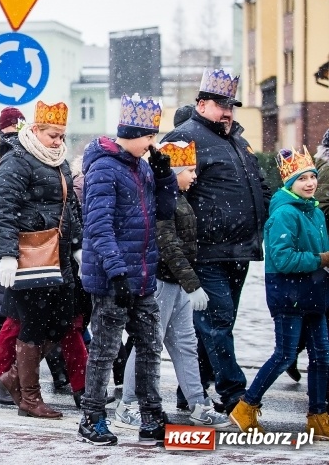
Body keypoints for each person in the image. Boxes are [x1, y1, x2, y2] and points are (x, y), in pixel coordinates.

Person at [162, 69, 271, 414]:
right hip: (206, 251)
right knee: (216, 323)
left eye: (231, 105)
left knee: (216, 325)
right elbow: (168, 195)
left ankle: (189, 391)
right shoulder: (183, 137)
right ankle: (233, 391)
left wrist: (264, 213)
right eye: (221, 104)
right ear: (202, 103)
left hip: (240, 249)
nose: (227, 111)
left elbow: (259, 183)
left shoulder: (237, 139)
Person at [78, 94, 176, 446]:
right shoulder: (105, 168)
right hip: (112, 278)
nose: (152, 143)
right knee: (105, 350)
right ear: (132, 133)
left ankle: (151, 416)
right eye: (148, 136)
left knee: (150, 346)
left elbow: (164, 212)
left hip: (143, 275)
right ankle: (92, 417)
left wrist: (165, 178)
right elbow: (99, 226)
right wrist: (116, 272)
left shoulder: (143, 166)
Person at [114, 140, 230, 430]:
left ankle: (198, 404)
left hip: (174, 284)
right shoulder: (163, 201)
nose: (194, 176)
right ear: (174, 170)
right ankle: (126, 405)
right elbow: (168, 245)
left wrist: (187, 283)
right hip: (160, 283)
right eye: (189, 170)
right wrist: (192, 283)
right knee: (147, 345)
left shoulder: (177, 198)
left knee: (185, 345)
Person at [230, 147, 329, 438]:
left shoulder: (315, 213)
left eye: (312, 177)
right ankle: (246, 406)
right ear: (290, 184)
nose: (310, 183)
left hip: (314, 294)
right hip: (290, 294)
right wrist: (321, 259)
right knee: (285, 354)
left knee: (322, 356)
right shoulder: (284, 214)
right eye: (302, 179)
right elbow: (283, 259)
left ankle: (319, 415)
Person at [0, 101, 77, 419]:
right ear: (36, 130)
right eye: (53, 135)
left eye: (62, 136)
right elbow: (3, 210)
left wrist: (78, 244)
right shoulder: (16, 160)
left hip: (60, 254)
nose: (58, 142)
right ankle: (29, 397)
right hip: (30, 255)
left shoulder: (59, 160)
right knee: (35, 323)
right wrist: (7, 256)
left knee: (64, 320)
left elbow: (70, 207)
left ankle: (13, 378)